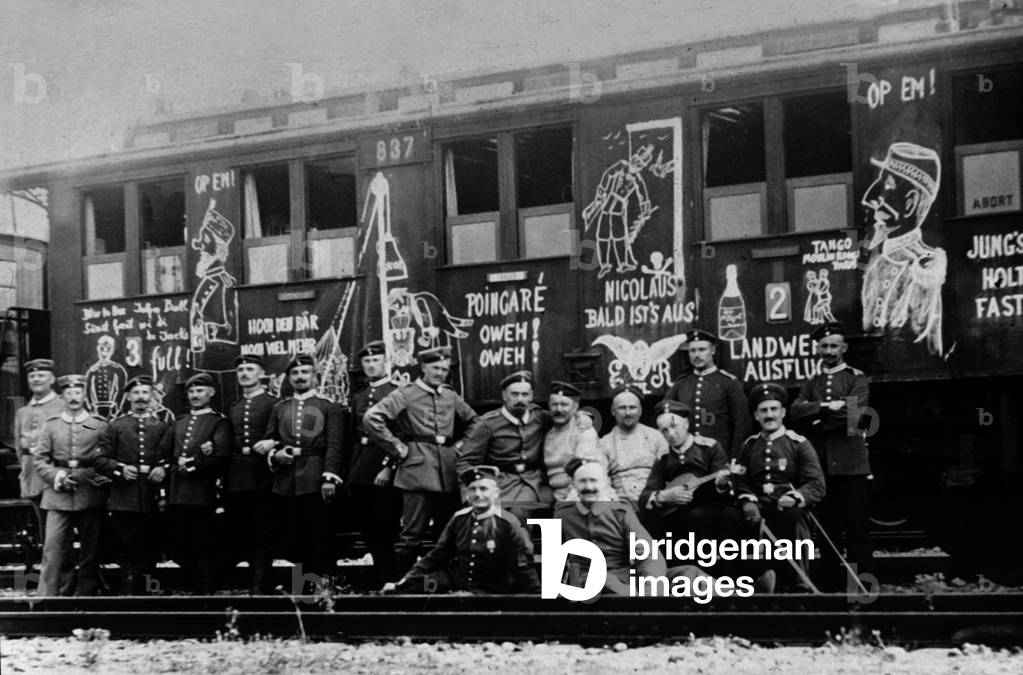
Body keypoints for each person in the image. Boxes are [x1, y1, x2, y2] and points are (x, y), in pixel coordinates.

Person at [364, 346, 480, 577]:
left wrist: (459, 447)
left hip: (447, 471)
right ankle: (401, 586)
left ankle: (441, 585)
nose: (440, 373)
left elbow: (476, 422)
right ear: (423, 367)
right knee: (411, 535)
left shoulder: (449, 395)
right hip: (416, 472)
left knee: (447, 533)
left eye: (444, 369)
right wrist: (397, 447)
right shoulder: (406, 393)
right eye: (435, 367)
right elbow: (372, 418)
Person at [789, 322, 874, 591]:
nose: (828, 351)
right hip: (823, 464)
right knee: (827, 529)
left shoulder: (856, 378)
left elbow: (854, 417)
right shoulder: (813, 382)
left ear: (844, 348)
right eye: (824, 346)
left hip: (851, 463)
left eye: (833, 345)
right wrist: (826, 406)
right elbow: (795, 412)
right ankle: (830, 583)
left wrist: (817, 419)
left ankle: (863, 585)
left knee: (856, 527)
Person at [256, 353, 344, 589]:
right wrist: (276, 456)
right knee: (294, 536)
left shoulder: (328, 407)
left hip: (316, 478)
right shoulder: (280, 408)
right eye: (295, 373)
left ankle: (322, 588)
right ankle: (301, 588)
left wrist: (329, 477)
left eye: (305, 372)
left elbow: (335, 445)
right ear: (289, 378)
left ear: (314, 376)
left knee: (320, 534)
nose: (300, 377)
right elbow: (270, 440)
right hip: (286, 482)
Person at [388, 466, 539, 595]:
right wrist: (405, 581)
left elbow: (522, 565)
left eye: (484, 489)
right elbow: (437, 555)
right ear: (467, 493)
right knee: (410, 589)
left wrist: (535, 596)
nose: (478, 494)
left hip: (491, 587)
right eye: (473, 489)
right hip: (456, 580)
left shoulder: (508, 522)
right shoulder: (459, 518)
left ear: (496, 493)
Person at [733, 382, 826, 591]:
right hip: (759, 506)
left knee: (792, 517)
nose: (769, 415)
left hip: (788, 506)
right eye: (763, 410)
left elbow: (816, 484)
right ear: (756, 415)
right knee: (730, 517)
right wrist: (747, 500)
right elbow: (740, 480)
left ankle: (797, 583)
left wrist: (795, 497)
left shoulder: (798, 443)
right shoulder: (748, 446)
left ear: (783, 412)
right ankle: (741, 582)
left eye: (774, 409)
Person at [860, 141, 945, 355]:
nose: (869, 198)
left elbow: (923, 346)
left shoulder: (925, 269)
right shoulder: (879, 264)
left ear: (909, 203)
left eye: (886, 185)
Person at [34, 375, 109, 597]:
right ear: (63, 396)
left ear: (84, 395)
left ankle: (86, 593)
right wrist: (58, 477)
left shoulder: (95, 422)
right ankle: (49, 596)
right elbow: (40, 460)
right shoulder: (52, 425)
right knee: (53, 547)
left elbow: (106, 456)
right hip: (58, 494)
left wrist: (93, 476)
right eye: (68, 393)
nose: (73, 397)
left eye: (77, 392)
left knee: (90, 549)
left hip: (89, 491)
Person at [95, 375, 171, 594]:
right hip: (123, 497)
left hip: (153, 495)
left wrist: (162, 468)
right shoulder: (116, 426)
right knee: (128, 545)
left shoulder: (162, 426)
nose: (141, 398)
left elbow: (171, 456)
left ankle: (148, 589)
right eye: (136, 393)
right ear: (128, 396)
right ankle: (130, 592)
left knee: (151, 545)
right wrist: (119, 469)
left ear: (151, 396)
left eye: (145, 393)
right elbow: (101, 460)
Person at [555, 457, 675, 596]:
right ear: (574, 485)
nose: (588, 487)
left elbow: (647, 554)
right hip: (584, 583)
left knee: (690, 574)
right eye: (582, 481)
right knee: (605, 581)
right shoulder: (563, 515)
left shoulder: (620, 512)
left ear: (604, 483)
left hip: (625, 580)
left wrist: (650, 591)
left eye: (593, 480)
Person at [159, 372, 231, 593]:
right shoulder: (180, 422)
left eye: (200, 391)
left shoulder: (218, 422)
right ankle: (188, 583)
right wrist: (171, 467)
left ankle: (206, 587)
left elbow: (221, 456)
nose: (195, 395)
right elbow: (165, 452)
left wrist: (193, 465)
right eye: (191, 392)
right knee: (180, 540)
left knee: (204, 542)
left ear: (211, 393)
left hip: (204, 493)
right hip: (178, 492)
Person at [639, 400, 739, 553]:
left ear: (686, 423)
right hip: (677, 510)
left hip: (710, 507)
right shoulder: (664, 457)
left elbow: (727, 489)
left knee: (701, 516)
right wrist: (664, 496)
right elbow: (645, 496)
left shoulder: (709, 447)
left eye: (674, 426)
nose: (670, 434)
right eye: (664, 430)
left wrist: (721, 483)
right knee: (644, 518)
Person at [341, 340, 402, 586]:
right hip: (361, 465)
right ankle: (379, 575)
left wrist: (389, 466)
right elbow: (352, 434)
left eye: (375, 360)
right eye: (366, 361)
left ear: (385, 362)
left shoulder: (397, 391)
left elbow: (401, 433)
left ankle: (391, 576)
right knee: (367, 526)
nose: (371, 365)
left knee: (386, 524)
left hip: (384, 465)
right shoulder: (359, 395)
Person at [457, 371, 554, 521]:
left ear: (531, 396)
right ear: (504, 396)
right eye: (514, 394)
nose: (520, 399)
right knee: (494, 517)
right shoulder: (488, 424)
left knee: (519, 513)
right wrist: (470, 494)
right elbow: (466, 462)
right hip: (501, 483)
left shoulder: (540, 417)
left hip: (533, 482)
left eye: (524, 394)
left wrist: (583, 417)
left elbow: (566, 416)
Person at [225, 355, 277, 594]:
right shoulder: (234, 408)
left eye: (250, 369)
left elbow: (286, 432)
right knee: (243, 529)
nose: (244, 373)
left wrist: (272, 442)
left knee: (264, 531)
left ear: (261, 374)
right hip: (238, 475)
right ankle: (250, 581)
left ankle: (261, 584)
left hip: (264, 474)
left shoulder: (272, 403)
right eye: (241, 370)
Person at [662, 330, 751, 458]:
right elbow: (665, 416)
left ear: (713, 351)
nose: (697, 355)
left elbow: (742, 424)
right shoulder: (681, 384)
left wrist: (735, 457)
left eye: (702, 349)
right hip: (688, 457)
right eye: (692, 351)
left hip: (719, 455)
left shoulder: (729, 383)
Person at [597, 385, 667, 509]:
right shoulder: (604, 444)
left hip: (655, 504)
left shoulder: (657, 437)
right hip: (622, 506)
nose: (628, 413)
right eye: (622, 408)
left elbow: (669, 472)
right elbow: (602, 482)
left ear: (640, 410)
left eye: (632, 407)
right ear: (613, 411)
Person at [14, 359, 64, 515]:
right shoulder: (22, 412)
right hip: (31, 475)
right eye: (32, 376)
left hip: (54, 472)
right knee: (39, 521)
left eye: (41, 375)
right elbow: (18, 447)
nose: (36, 379)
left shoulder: (63, 405)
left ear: (51, 379)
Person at [542, 381, 599, 502]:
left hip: (576, 493)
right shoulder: (548, 432)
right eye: (554, 404)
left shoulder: (583, 431)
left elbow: (584, 472)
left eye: (564, 404)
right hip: (551, 493)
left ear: (575, 407)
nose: (559, 409)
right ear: (549, 405)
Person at [84, 335, 128, 419]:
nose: (105, 351)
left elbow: (122, 390)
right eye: (102, 348)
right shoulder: (92, 370)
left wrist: (117, 407)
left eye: (108, 348)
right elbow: (88, 391)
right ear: (97, 349)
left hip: (113, 410)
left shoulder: (118, 369)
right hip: (96, 411)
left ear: (112, 350)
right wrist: (90, 407)